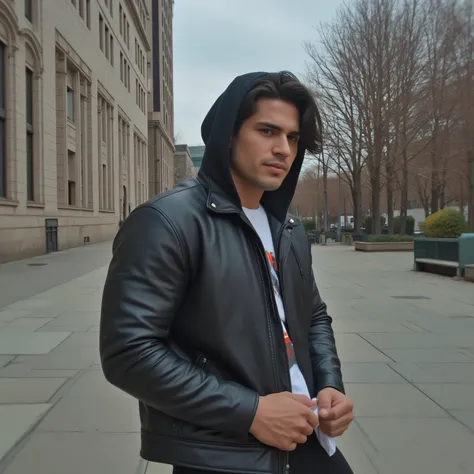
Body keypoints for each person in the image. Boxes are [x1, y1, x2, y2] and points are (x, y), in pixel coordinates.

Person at [100, 71, 354, 474]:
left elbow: (314, 315)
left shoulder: (286, 226)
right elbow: (128, 353)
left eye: (292, 137)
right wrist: (250, 412)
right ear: (228, 135)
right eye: (267, 130)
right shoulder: (166, 222)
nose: (283, 149)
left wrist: (328, 385)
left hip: (307, 438)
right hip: (225, 452)